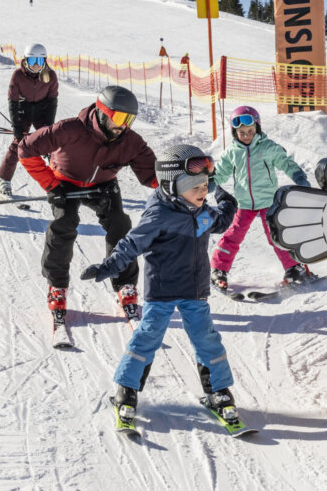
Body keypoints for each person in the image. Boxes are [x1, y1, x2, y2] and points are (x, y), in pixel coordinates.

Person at [81, 142, 240, 425]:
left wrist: (227, 199)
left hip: (195, 292)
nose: (202, 192)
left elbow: (222, 221)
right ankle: (126, 391)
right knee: (146, 340)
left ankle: (219, 393)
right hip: (163, 292)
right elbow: (131, 245)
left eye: (205, 185)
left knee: (207, 341)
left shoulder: (202, 211)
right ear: (171, 186)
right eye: (194, 186)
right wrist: (109, 265)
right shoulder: (158, 216)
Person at [17, 85, 158, 321]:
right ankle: (57, 287)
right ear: (103, 112)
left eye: (130, 119)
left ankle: (125, 285)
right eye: (121, 117)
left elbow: (153, 175)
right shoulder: (69, 129)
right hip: (65, 183)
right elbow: (26, 149)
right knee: (64, 223)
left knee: (120, 224)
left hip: (103, 185)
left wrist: (183, 184)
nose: (124, 125)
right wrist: (51, 185)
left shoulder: (131, 141)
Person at [209, 105, 313, 291]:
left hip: (268, 201)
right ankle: (219, 269)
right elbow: (220, 174)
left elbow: (286, 163)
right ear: (235, 133)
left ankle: (294, 267)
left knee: (277, 235)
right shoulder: (232, 152)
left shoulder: (268, 147)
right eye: (241, 132)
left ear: (257, 128)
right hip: (244, 204)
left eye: (250, 131)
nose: (246, 135)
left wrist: (299, 178)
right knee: (232, 236)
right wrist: (209, 182)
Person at [0, 44, 59, 196]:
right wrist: (16, 125)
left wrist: (49, 125)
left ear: (44, 60)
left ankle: (61, 179)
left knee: (52, 144)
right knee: (18, 144)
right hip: (23, 111)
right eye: (32, 61)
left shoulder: (50, 75)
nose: (36, 65)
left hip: (41, 113)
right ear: (25, 60)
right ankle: (4, 179)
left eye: (39, 60)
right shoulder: (18, 75)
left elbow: (52, 102)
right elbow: (13, 102)